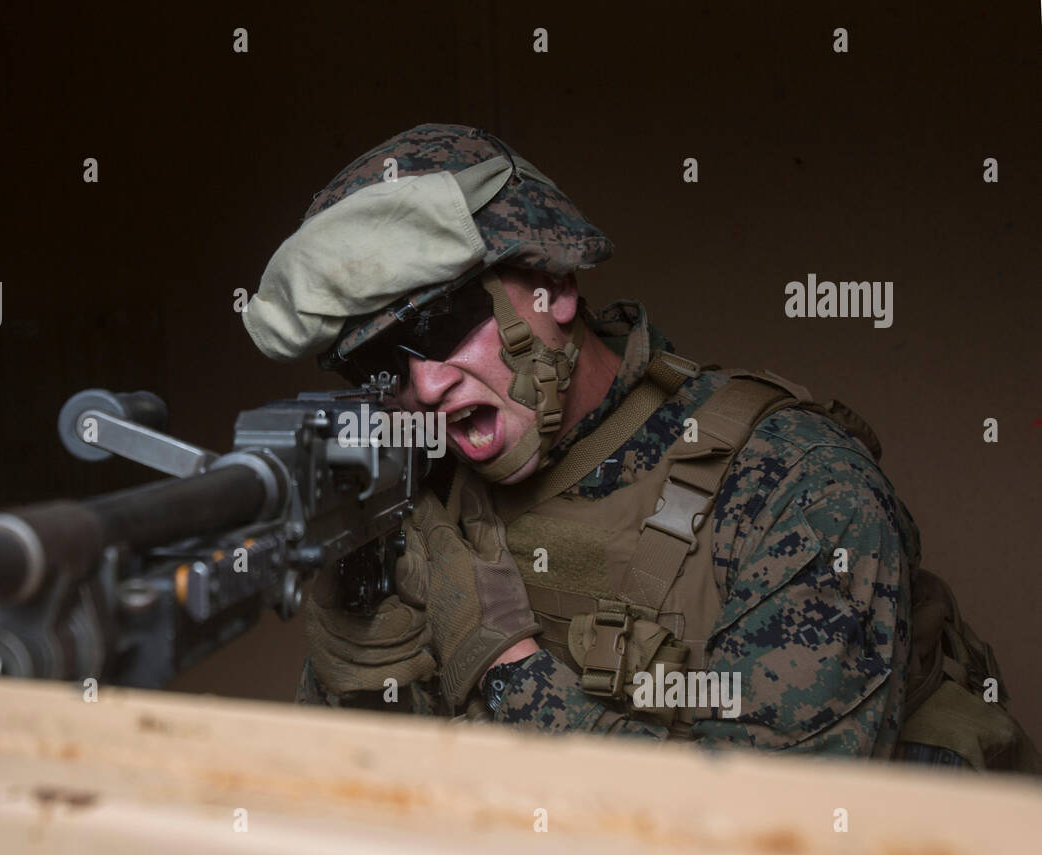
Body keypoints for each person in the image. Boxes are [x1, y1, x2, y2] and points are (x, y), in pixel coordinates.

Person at [244, 124, 1037, 770]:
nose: (423, 388)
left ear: (553, 280)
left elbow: (780, 842)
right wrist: (356, 639)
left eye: (440, 327)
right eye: (380, 365)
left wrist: (505, 665)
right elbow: (356, 801)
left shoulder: (796, 486)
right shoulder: (421, 491)